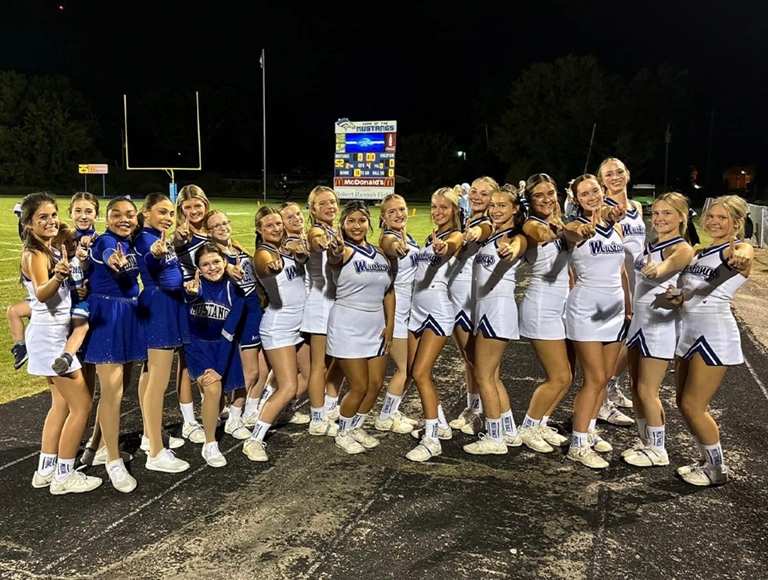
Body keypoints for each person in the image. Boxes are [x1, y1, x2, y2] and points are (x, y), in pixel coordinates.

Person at [668, 195, 753, 486]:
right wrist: (677, 297)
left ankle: (717, 470)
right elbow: (690, 292)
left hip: (713, 334)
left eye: (722, 218)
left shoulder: (736, 251)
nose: (714, 222)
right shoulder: (699, 252)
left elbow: (744, 255)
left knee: (694, 405)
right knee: (682, 403)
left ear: (737, 223)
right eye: (712, 216)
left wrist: (744, 252)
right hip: (688, 331)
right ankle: (705, 460)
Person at [21, 192, 102, 495]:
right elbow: (42, 293)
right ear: (29, 224)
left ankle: (45, 470)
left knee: (60, 404)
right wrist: (57, 277)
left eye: (53, 215)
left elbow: (57, 293)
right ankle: (65, 475)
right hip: (50, 338)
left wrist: (71, 287)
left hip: (50, 335)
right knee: (82, 406)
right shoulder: (35, 254)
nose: (51, 221)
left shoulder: (51, 249)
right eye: (42, 217)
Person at [563, 175, 630, 469]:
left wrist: (629, 308)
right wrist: (581, 229)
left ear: (602, 191)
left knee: (604, 378)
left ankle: (588, 430)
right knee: (593, 379)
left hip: (614, 309)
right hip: (586, 308)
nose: (591, 197)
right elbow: (571, 233)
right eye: (584, 194)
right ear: (576, 199)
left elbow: (622, 272)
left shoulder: (615, 227)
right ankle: (577, 445)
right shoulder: (574, 227)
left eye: (594, 191)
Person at [622, 193, 694, 467]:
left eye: (667, 213)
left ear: (681, 217)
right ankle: (646, 442)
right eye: (657, 213)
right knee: (634, 386)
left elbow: (667, 267)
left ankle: (658, 449)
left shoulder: (682, 248)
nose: (660, 218)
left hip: (659, 325)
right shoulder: (652, 243)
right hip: (640, 322)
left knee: (647, 389)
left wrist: (655, 271)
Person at [84, 196, 146, 492]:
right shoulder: (105, 241)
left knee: (121, 387)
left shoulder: (131, 242)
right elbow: (109, 253)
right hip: (108, 316)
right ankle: (112, 461)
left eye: (130, 215)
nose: (124, 219)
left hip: (129, 313)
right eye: (117, 215)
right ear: (107, 219)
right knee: (112, 393)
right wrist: (113, 259)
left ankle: (98, 447)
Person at [325, 201, 395, 454]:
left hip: (376, 325)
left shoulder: (380, 253)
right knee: (359, 386)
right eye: (351, 221)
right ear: (343, 225)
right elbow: (333, 257)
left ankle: (355, 426)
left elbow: (389, 290)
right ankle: (342, 432)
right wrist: (334, 250)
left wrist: (390, 324)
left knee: (375, 384)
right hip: (347, 324)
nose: (357, 226)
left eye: (361, 220)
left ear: (369, 223)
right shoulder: (342, 250)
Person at [245, 207, 313, 462]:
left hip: (298, 326)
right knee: (288, 386)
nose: (275, 229)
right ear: (259, 230)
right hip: (279, 327)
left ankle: (279, 411)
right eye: (269, 225)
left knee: (311, 376)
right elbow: (266, 266)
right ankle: (254, 440)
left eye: (277, 224)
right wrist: (273, 267)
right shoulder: (263, 253)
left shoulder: (287, 248)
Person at [463, 185, 527, 455]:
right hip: (487, 308)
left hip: (497, 308)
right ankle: (508, 431)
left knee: (483, 375)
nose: (496, 210)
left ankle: (494, 437)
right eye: (493, 205)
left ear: (515, 209)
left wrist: (509, 251)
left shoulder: (515, 236)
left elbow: (517, 247)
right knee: (492, 376)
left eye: (503, 205)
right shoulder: (493, 233)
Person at [134, 193, 191, 474]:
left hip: (165, 303)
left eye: (170, 213)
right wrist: (157, 253)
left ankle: (149, 436)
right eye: (161, 212)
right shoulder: (147, 239)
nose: (168, 217)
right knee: (158, 381)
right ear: (146, 212)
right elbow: (150, 257)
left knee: (149, 376)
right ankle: (156, 452)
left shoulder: (155, 236)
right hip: (160, 306)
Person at [405, 187, 464, 462]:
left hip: (437, 309)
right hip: (417, 308)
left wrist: (444, 247)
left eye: (444, 207)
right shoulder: (431, 237)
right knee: (413, 370)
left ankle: (432, 441)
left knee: (420, 373)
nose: (438, 212)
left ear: (454, 210)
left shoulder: (455, 236)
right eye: (434, 206)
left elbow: (450, 246)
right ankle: (439, 422)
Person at [517, 174, 573, 453]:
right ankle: (527, 427)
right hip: (541, 307)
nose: (546, 199)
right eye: (538, 195)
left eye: (550, 193)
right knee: (559, 377)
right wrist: (552, 232)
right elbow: (542, 234)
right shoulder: (531, 224)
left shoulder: (559, 221)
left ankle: (541, 423)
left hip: (561, 305)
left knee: (567, 376)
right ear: (529, 200)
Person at [183, 244, 247, 468]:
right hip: (196, 348)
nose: (212, 268)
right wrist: (189, 294)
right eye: (205, 264)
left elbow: (228, 333)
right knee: (212, 388)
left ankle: (216, 416)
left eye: (216, 262)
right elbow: (191, 295)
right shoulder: (193, 287)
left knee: (219, 395)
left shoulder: (235, 292)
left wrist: (220, 368)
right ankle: (210, 444)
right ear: (198, 269)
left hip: (222, 346)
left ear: (225, 263)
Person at [204, 209, 266, 439]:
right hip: (239, 316)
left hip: (254, 312)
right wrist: (227, 270)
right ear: (208, 232)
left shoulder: (237, 249)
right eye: (215, 226)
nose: (222, 228)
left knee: (258, 369)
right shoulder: (216, 257)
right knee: (248, 372)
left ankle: (237, 412)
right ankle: (233, 418)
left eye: (224, 223)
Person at [597, 158, 644, 420]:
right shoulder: (603, 209)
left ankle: (611, 387)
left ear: (628, 174)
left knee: (632, 340)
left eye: (619, 172)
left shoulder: (637, 206)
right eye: (608, 174)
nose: (615, 177)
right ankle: (601, 399)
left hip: (640, 283)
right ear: (601, 181)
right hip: (616, 284)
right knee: (614, 343)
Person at [448, 177, 496, 436]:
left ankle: (489, 414)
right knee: (469, 359)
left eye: (484, 193)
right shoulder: (468, 219)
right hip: (460, 296)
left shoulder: (486, 222)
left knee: (481, 362)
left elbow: (484, 230)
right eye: (474, 191)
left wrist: (476, 233)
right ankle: (473, 408)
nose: (477, 196)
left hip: (473, 297)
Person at [374, 194, 419, 434]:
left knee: (411, 368)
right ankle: (385, 416)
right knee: (404, 368)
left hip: (409, 308)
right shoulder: (389, 237)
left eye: (401, 209)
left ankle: (391, 411)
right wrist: (396, 247)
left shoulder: (408, 236)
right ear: (383, 217)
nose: (398, 214)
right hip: (396, 308)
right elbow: (391, 246)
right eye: (392, 212)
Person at [302, 186, 345, 431]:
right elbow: (316, 241)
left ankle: (329, 406)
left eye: (332, 202)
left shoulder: (336, 230)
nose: (329, 207)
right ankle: (317, 419)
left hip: (338, 303)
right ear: (313, 210)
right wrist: (324, 242)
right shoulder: (317, 230)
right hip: (320, 304)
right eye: (322, 203)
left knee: (340, 359)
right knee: (319, 364)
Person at [172, 185, 210, 443]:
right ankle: (189, 421)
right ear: (181, 210)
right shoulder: (183, 234)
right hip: (190, 301)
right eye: (188, 208)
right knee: (187, 363)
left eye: (198, 205)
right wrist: (179, 238)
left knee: (211, 356)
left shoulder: (211, 230)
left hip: (214, 300)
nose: (194, 211)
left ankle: (211, 407)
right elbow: (177, 242)